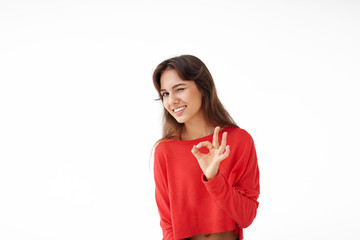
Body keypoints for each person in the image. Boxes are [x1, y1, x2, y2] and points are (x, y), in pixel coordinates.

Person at [152, 55, 260, 240]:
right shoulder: (165, 151)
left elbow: (246, 217)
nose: (171, 101)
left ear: (203, 87)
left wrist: (214, 178)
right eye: (165, 94)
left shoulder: (239, 140)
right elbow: (168, 225)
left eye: (179, 89)